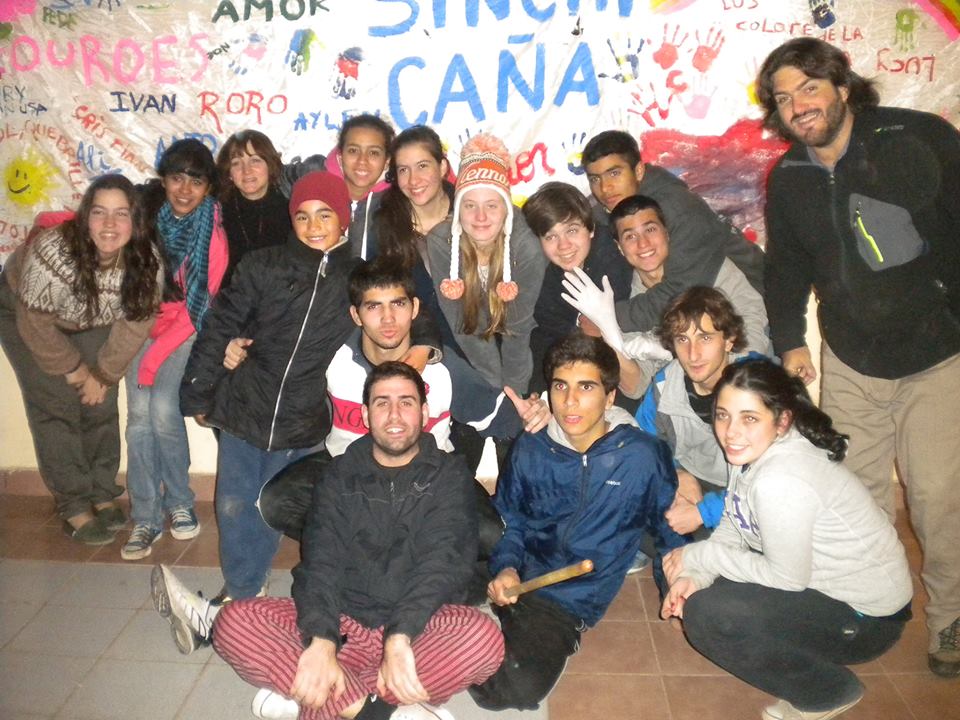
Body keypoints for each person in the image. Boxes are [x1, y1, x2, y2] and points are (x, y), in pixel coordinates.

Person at [757, 37, 960, 678]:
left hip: (935, 354)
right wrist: (790, 339)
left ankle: (951, 619)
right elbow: (785, 266)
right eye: (784, 98)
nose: (798, 106)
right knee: (856, 496)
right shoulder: (789, 177)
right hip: (849, 356)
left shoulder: (916, 138)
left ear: (843, 87)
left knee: (936, 497)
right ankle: (869, 610)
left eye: (809, 88)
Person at [155, 362, 505, 720]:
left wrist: (399, 637)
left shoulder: (449, 476)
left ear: (425, 413)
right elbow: (321, 562)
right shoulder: (339, 475)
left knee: (482, 638)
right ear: (366, 415)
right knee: (234, 622)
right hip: (343, 623)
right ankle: (377, 709)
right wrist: (322, 640)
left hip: (417, 628)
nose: (394, 414)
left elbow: (442, 566)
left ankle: (315, 696)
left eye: (406, 402)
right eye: (382, 403)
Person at [662, 359, 913, 720]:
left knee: (708, 615)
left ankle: (828, 692)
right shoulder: (750, 450)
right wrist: (696, 574)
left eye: (750, 418)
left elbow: (786, 577)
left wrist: (701, 557)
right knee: (697, 590)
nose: (731, 432)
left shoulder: (781, 478)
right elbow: (734, 521)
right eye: (723, 415)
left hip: (868, 620)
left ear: (781, 421)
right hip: (819, 589)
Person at [469, 333, 687, 711]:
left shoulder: (641, 456)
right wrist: (506, 567)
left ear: (610, 397)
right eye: (560, 386)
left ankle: (499, 626)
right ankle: (484, 608)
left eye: (586, 387)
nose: (569, 401)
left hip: (563, 599)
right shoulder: (532, 446)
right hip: (517, 562)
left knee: (513, 690)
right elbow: (512, 521)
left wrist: (677, 585)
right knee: (421, 577)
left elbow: (668, 529)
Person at [0, 175, 161, 545]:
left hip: (88, 319)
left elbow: (136, 324)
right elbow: (35, 324)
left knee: (99, 401)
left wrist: (101, 375)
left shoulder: (146, 260)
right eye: (99, 213)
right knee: (57, 407)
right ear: (85, 216)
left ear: (135, 220)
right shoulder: (54, 251)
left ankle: (101, 491)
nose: (109, 224)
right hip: (24, 314)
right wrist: (74, 370)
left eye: (121, 214)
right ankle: (73, 504)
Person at [121, 139, 227, 559]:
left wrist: (151, 359)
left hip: (187, 328)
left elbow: (198, 308)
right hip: (140, 323)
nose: (185, 190)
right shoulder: (145, 218)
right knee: (138, 418)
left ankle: (181, 502)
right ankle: (145, 516)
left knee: (163, 409)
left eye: (196, 181)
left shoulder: (212, 231)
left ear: (208, 187)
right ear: (163, 180)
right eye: (177, 178)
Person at [580, 130, 764, 333]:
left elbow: (678, 294)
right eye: (595, 179)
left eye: (614, 173)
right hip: (692, 322)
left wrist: (607, 317)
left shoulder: (678, 210)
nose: (605, 188)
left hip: (750, 311)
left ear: (639, 171)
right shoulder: (612, 208)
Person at [636, 287, 763, 536]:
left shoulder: (761, 384)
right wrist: (675, 473)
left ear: (729, 340)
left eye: (705, 338)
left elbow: (779, 477)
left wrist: (704, 512)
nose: (692, 354)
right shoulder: (665, 384)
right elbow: (643, 444)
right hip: (689, 482)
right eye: (682, 339)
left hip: (745, 495)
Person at [427, 133, 547, 394]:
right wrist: (495, 394)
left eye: (491, 205)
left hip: (528, 338)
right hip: (470, 342)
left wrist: (514, 396)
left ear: (506, 208)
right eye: (470, 205)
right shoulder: (441, 242)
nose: (480, 217)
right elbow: (463, 325)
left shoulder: (527, 248)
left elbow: (518, 332)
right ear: (458, 209)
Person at [521, 181, 632, 395]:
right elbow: (545, 340)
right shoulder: (542, 281)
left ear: (590, 229)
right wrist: (540, 397)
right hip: (571, 377)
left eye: (572, 230)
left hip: (625, 375)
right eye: (551, 236)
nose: (564, 246)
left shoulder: (615, 261)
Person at [216, 130, 292, 288]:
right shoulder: (216, 212)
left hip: (279, 298)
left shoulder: (291, 210)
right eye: (236, 163)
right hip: (228, 298)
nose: (246, 170)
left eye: (255, 160)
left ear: (270, 165)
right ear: (229, 172)